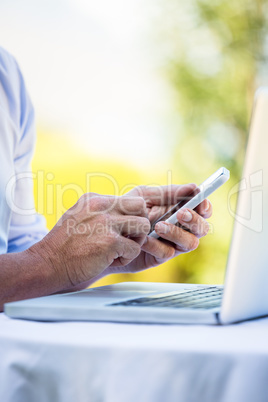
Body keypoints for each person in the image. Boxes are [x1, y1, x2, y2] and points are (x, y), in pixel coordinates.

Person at [0, 47, 212, 311]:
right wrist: (52, 262)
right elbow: (39, 265)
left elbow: (19, 253)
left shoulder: (6, 76)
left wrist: (105, 256)